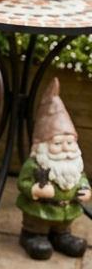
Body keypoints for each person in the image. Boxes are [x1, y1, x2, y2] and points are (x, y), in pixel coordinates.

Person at [17, 77, 91, 259]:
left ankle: (62, 236)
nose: (66, 148)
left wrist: (85, 190)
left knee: (64, 230)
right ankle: (33, 236)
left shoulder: (74, 165)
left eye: (70, 142)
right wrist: (35, 189)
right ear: (42, 146)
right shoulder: (36, 163)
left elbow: (81, 179)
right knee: (37, 228)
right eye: (58, 143)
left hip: (67, 211)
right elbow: (23, 182)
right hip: (39, 211)